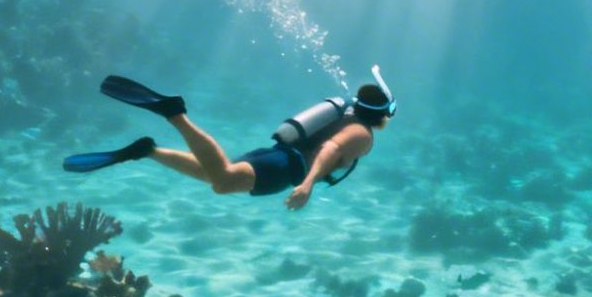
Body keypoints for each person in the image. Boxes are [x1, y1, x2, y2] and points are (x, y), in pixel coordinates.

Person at [63, 68, 396, 211]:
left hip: (277, 155)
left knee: (213, 173)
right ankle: (175, 114)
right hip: (286, 167)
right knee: (222, 182)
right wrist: (308, 184)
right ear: (383, 115)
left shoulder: (348, 117)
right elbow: (331, 148)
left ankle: (149, 151)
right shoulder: (361, 134)